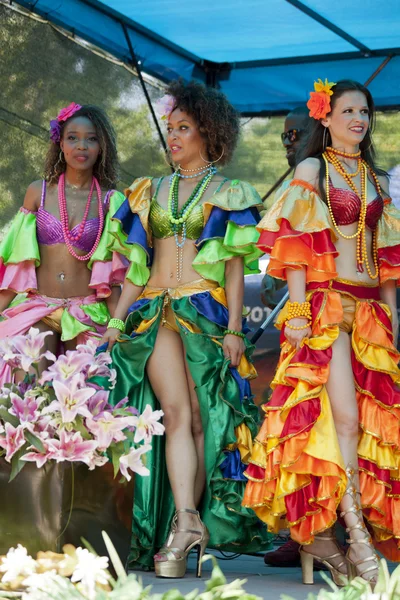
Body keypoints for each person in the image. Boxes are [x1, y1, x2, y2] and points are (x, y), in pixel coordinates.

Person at [100, 80, 272, 576]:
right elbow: (136, 268)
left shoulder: (228, 191)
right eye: (170, 129)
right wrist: (116, 321)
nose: (173, 137)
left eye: (184, 129)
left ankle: (188, 525)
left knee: (202, 420)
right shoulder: (148, 189)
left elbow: (237, 267)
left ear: (209, 133)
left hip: (206, 312)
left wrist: (237, 327)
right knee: (173, 416)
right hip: (154, 311)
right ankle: (187, 521)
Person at [243, 79, 400, 587]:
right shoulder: (313, 168)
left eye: (365, 111)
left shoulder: (375, 179)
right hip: (325, 306)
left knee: (369, 427)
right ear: (325, 118)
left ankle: (335, 539)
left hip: (371, 315)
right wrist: (295, 311)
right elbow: (296, 239)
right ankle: (355, 541)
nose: (359, 118)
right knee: (346, 422)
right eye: (348, 109)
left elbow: (387, 259)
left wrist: (392, 319)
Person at [0, 103, 126, 378]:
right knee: (27, 385)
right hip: (40, 309)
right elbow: (16, 262)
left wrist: (118, 323)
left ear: (102, 146)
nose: (81, 146)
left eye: (91, 139)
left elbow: (113, 276)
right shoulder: (38, 192)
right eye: (72, 137)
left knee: (85, 399)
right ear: (60, 144)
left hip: (87, 314)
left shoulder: (110, 201)